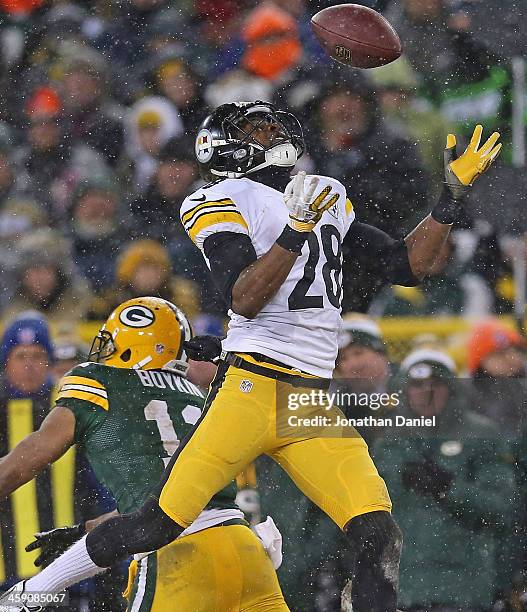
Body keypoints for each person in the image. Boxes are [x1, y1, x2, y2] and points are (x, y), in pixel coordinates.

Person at [4, 101, 501, 612]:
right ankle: (30, 592)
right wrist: (295, 229)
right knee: (155, 524)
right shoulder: (219, 197)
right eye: (258, 129)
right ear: (227, 147)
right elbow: (242, 295)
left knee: (379, 534)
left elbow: (406, 264)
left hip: (310, 402)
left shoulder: (324, 194)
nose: (274, 133)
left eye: (271, 125)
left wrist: (451, 197)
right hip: (251, 388)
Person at [0, 297, 288, 611]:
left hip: (178, 559)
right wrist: (83, 531)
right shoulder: (200, 396)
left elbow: (33, 453)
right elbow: (163, 501)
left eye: (113, 343)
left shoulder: (100, 381)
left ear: (133, 345)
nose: (106, 350)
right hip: (246, 552)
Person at [373, 347, 517, 611]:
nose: (425, 393)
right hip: (404, 587)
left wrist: (449, 489)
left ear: (451, 389)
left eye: (435, 385)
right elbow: (371, 514)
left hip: (463, 588)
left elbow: (501, 510)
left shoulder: (482, 434)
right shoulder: (391, 440)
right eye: (417, 385)